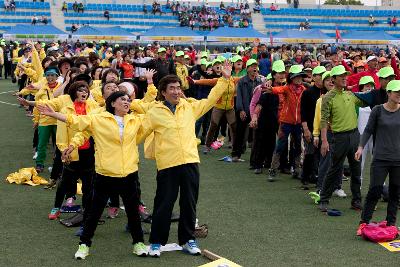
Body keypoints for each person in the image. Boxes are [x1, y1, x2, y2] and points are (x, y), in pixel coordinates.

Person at [38, 91, 149, 259]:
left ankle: (138, 243)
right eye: (122, 100)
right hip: (105, 173)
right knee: (94, 211)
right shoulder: (98, 119)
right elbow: (75, 121)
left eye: (128, 100)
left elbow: (151, 114)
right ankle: (84, 245)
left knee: (133, 211)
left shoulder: (135, 120)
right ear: (112, 103)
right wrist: (53, 114)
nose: (127, 102)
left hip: (129, 173)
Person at [146, 64, 234, 257]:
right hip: (168, 164)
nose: (177, 91)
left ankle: (187, 240)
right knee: (164, 203)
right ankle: (156, 242)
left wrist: (225, 79)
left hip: (190, 161)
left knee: (189, 202)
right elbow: (138, 132)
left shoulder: (189, 107)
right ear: (163, 92)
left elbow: (211, 99)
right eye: (172, 88)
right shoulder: (154, 112)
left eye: (179, 88)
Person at [318, 65, 365, 212]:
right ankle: (324, 199)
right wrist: (324, 141)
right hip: (339, 138)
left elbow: (365, 100)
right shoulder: (327, 98)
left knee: (356, 170)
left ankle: (356, 201)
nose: (345, 78)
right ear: (333, 79)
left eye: (345, 75)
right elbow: (324, 120)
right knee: (335, 169)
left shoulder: (350, 95)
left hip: (354, 135)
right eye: (341, 76)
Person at [356, 80, 400, 234]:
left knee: (395, 193)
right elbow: (368, 130)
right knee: (374, 191)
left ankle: (391, 223)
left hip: (398, 160)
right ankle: (364, 222)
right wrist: (361, 147)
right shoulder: (378, 110)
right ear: (388, 93)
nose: (399, 95)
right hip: (380, 158)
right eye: (396, 92)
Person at [266, 65, 306, 182]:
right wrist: (271, 89)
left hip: (298, 123)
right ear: (291, 78)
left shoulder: (304, 89)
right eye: (296, 77)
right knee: (280, 146)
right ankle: (273, 170)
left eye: (300, 77)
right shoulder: (287, 88)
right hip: (286, 123)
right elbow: (278, 89)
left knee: (298, 147)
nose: (299, 79)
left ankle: (297, 170)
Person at [231, 59, 262, 162]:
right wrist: (240, 110)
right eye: (252, 66)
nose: (255, 68)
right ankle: (236, 154)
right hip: (244, 111)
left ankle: (257, 157)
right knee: (240, 133)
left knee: (257, 135)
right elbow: (238, 97)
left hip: (255, 113)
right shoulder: (241, 81)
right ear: (247, 68)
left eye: (256, 66)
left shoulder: (260, 81)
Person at [300, 66, 326, 188]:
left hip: (325, 129)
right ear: (314, 77)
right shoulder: (308, 92)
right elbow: (303, 113)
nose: (321, 78)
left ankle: (316, 176)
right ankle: (305, 176)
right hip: (310, 128)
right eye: (319, 75)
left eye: (324, 75)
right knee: (310, 152)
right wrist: (305, 129)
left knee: (323, 154)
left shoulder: (328, 93)